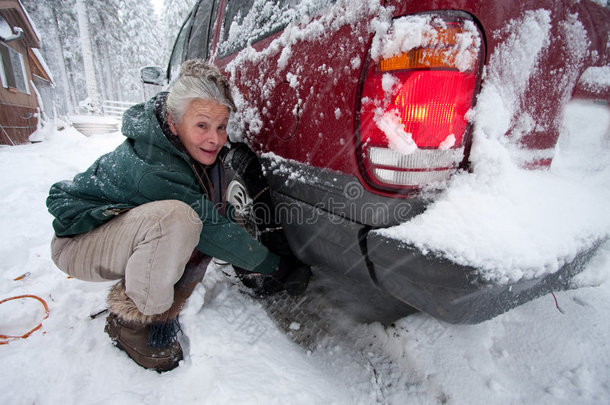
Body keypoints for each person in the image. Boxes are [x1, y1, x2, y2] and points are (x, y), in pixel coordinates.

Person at [46, 60, 310, 372]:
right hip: (78, 243)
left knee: (182, 218)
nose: (214, 138)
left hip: (113, 227)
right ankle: (130, 322)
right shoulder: (157, 169)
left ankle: (143, 279)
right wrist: (275, 266)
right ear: (173, 122)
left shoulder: (178, 144)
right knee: (178, 220)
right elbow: (211, 229)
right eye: (201, 125)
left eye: (221, 127)